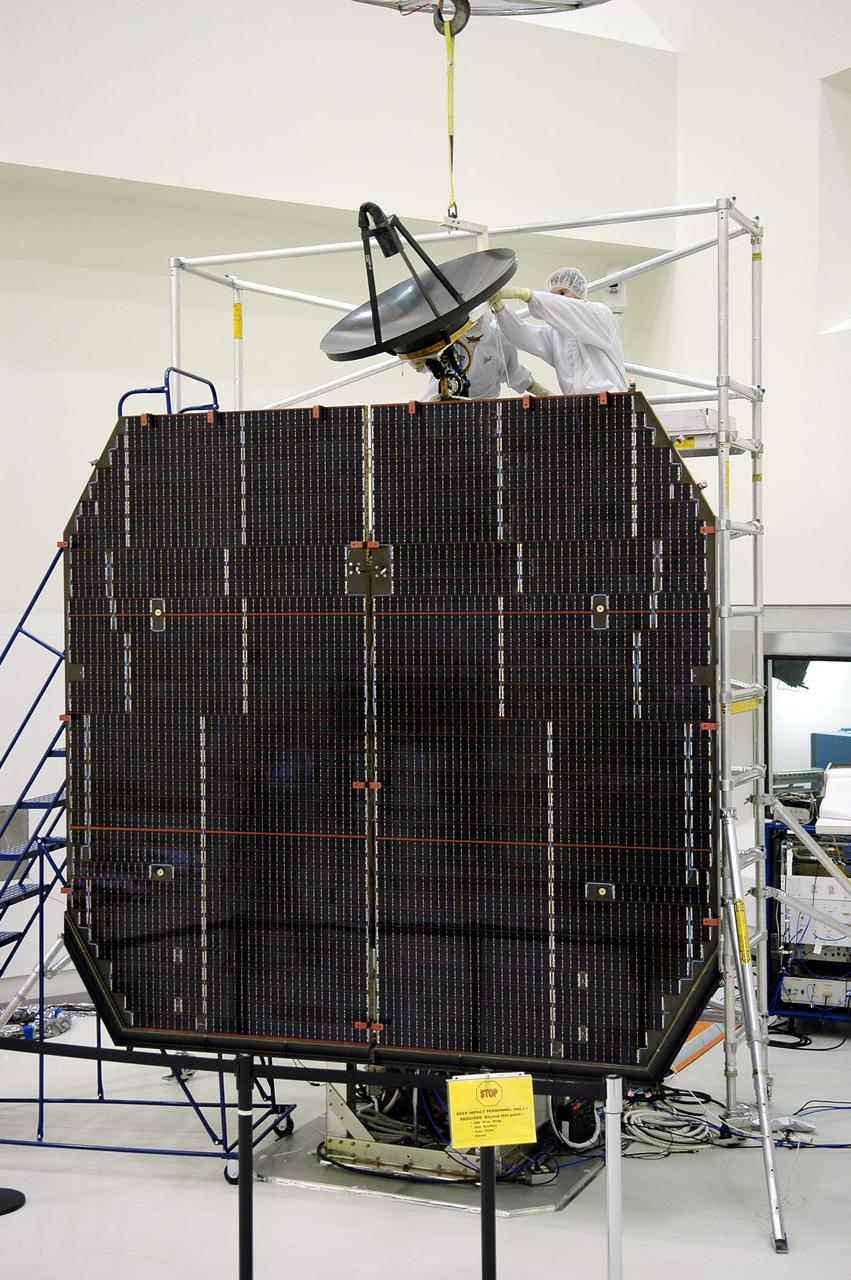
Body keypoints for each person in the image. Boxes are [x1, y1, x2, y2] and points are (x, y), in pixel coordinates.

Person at [490, 266, 627, 395]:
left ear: (579, 291)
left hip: (612, 401)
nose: (557, 298)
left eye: (562, 292)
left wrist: (526, 295)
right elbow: (523, 336)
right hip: (577, 405)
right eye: (553, 295)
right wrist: (501, 310)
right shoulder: (556, 335)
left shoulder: (599, 314)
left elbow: (567, 310)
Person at [419, 311, 551, 401]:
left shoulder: (501, 338)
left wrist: (548, 396)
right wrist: (419, 362)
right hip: (438, 406)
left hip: (483, 412)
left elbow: (515, 374)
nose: (476, 325)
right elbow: (424, 365)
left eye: (480, 319)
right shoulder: (448, 339)